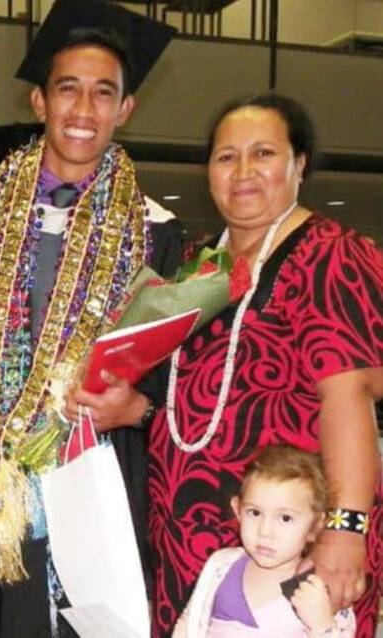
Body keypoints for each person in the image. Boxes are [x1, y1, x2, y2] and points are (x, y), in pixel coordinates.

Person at [0, 1, 184, 636]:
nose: (83, 111)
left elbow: (169, 376)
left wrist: (134, 408)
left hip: (93, 468)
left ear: (125, 110)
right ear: (39, 102)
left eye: (103, 94)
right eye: (68, 90)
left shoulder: (155, 234)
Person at [70, 93, 383, 638]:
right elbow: (200, 409)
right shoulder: (200, 263)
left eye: (263, 153)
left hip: (294, 545)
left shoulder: (330, 254)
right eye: (225, 157)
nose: (242, 172)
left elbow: (347, 396)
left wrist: (344, 529)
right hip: (195, 546)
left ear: (298, 164)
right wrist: (134, 410)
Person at [173, 444, 356, 638]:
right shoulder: (221, 565)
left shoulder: (321, 589)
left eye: (285, 518)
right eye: (255, 513)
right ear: (238, 510)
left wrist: (323, 625)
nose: (265, 531)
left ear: (315, 527)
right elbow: (189, 622)